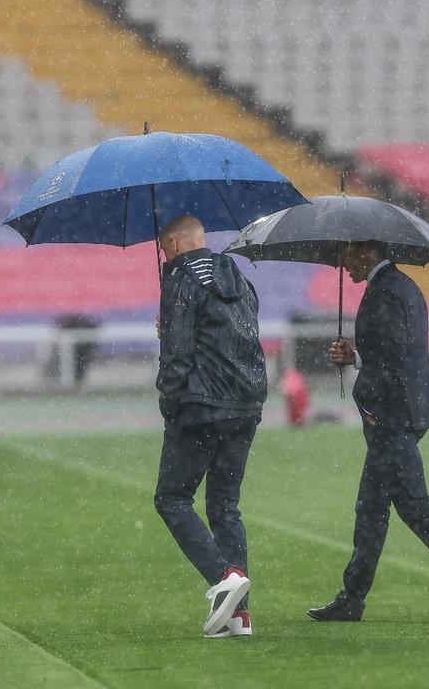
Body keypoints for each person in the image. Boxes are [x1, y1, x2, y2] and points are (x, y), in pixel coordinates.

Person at [307, 242, 429, 623]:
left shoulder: (387, 292)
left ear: (365, 252)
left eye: (347, 255)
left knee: (414, 507)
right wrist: (356, 357)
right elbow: (396, 355)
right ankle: (353, 598)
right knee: (372, 507)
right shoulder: (402, 287)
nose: (343, 263)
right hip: (401, 414)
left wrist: (377, 407)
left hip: (391, 418)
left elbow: (394, 360)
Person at [154, 215, 267, 639]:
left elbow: (179, 356)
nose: (164, 254)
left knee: (172, 498)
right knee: (224, 506)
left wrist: (169, 400)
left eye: (165, 247)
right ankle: (239, 616)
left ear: (175, 242)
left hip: (202, 406)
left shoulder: (182, 279)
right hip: (247, 404)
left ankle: (225, 579)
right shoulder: (236, 276)